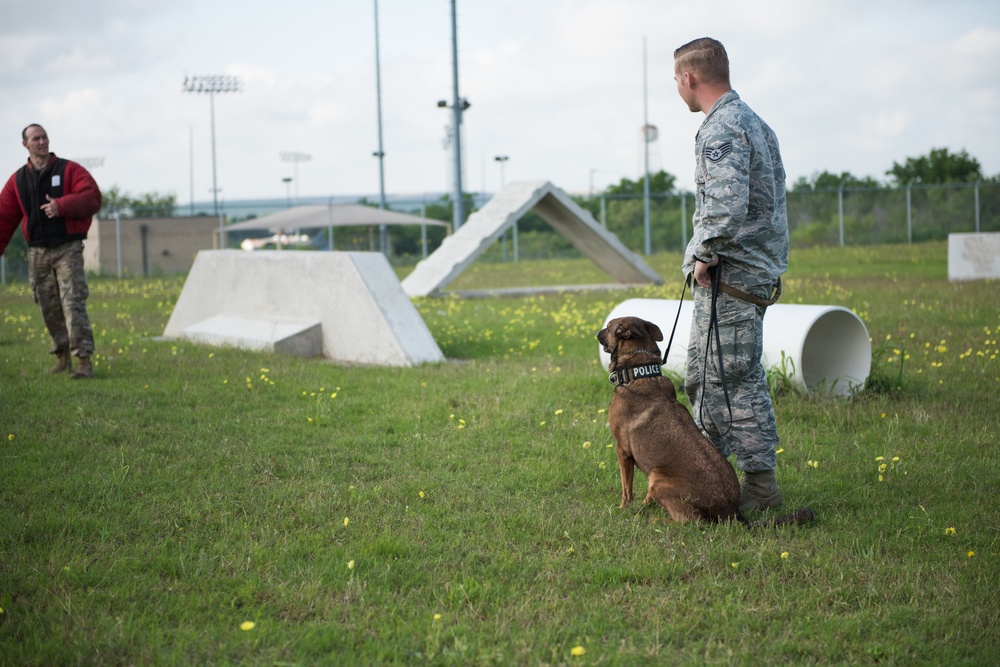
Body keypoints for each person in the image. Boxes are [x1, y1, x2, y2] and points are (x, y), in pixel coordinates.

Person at [673, 38, 789, 510]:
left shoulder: (723, 127)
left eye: (675, 82)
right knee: (706, 378)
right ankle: (707, 478)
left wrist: (703, 251)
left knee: (734, 380)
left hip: (732, 278)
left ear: (689, 78)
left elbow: (725, 204)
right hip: (743, 275)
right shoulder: (753, 122)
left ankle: (759, 491)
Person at [0, 124, 102, 379]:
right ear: (25, 144)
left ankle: (84, 361)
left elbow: (93, 197)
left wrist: (62, 205)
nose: (42, 142)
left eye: (44, 137)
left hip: (67, 249)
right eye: (36, 138)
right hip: (37, 253)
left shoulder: (69, 170)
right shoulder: (17, 181)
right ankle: (62, 356)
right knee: (49, 306)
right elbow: (4, 218)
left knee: (73, 304)